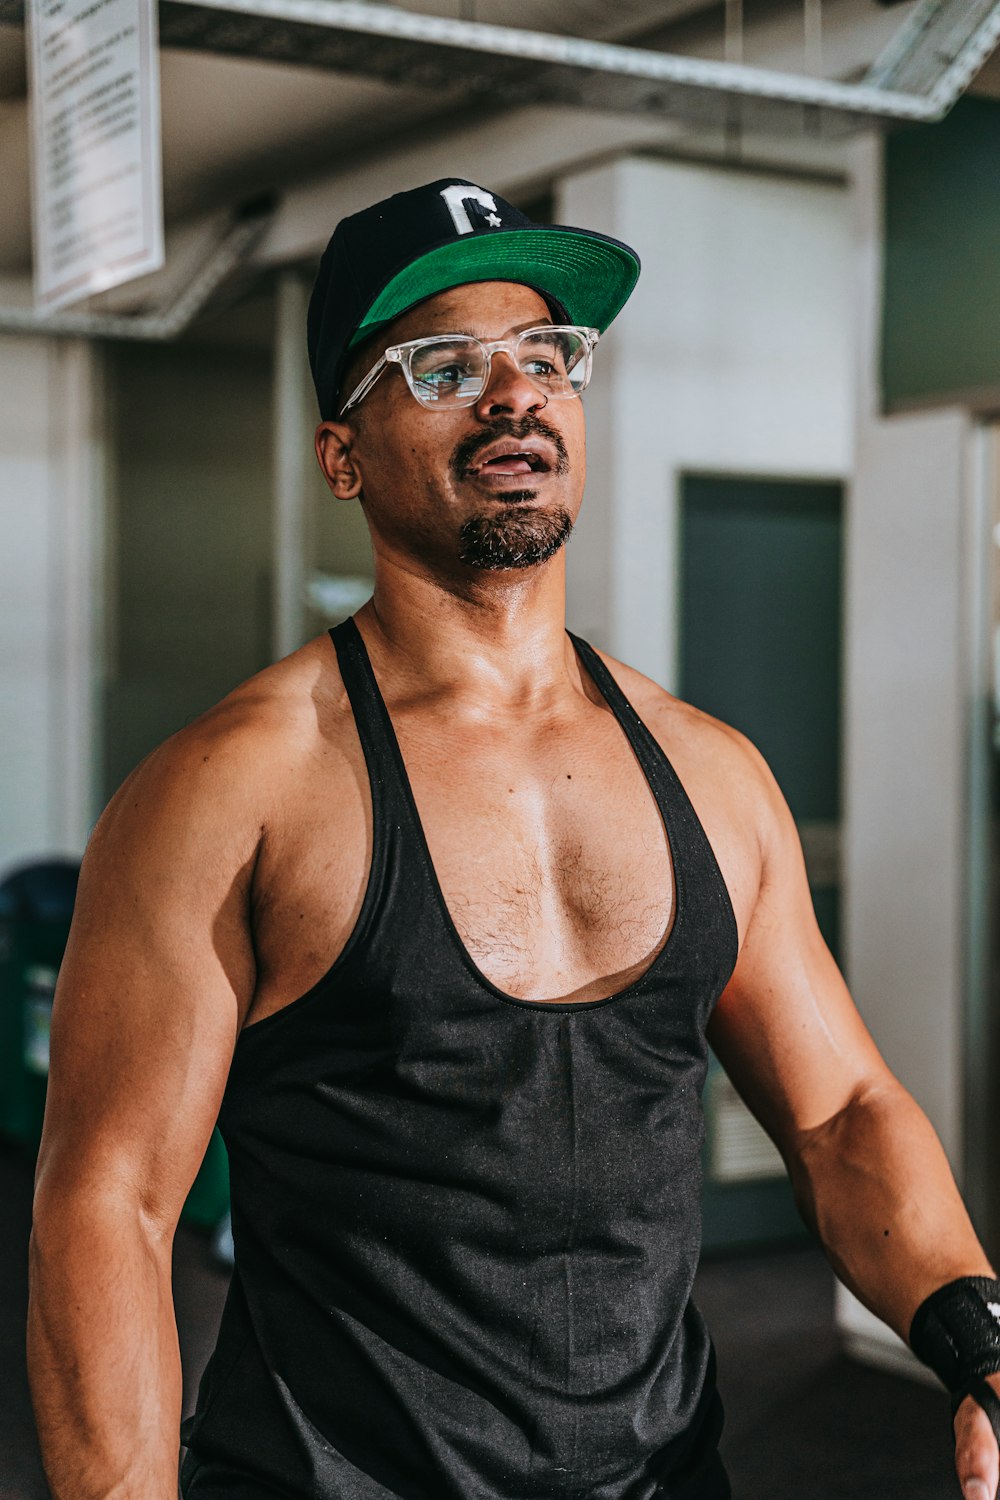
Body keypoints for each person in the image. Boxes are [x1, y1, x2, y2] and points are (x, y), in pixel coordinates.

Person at [26, 178, 1000, 1500]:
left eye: (548, 356)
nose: (513, 394)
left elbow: (840, 1114)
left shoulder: (711, 773)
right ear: (341, 453)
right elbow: (113, 1209)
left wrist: (976, 1344)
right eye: (444, 364)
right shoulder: (229, 789)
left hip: (667, 1475)